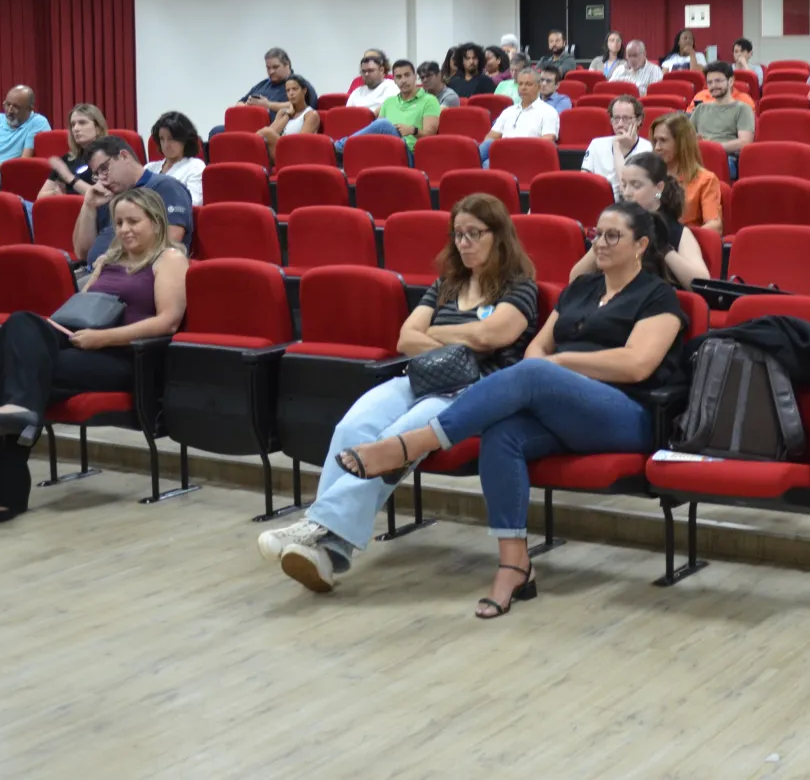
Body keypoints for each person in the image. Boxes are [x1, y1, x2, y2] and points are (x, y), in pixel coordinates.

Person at [334, 200, 690, 618]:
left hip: (625, 412)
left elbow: (636, 364)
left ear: (641, 245)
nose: (601, 244)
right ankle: (515, 564)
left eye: (614, 236)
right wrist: (550, 368)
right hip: (560, 408)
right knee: (502, 434)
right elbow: (537, 347)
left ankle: (410, 445)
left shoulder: (658, 296)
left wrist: (559, 365)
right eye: (597, 235)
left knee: (534, 373)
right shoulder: (581, 289)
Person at [257, 194, 541, 589]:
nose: (464, 243)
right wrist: (462, 338)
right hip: (421, 378)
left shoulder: (520, 287)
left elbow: (492, 335)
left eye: (474, 233)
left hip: (474, 391)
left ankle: (316, 527)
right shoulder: (447, 284)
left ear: (499, 235)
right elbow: (406, 337)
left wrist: (437, 332)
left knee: (395, 438)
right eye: (458, 234)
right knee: (353, 426)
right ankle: (328, 549)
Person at [0, 187, 188, 524]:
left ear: (155, 222)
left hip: (126, 357)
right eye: (119, 222)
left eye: (133, 221)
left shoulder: (169, 259)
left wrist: (103, 338)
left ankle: (6, 484)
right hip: (81, 341)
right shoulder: (109, 260)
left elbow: (168, 321)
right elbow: (80, 307)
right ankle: (19, 413)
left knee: (21, 375)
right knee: (20, 323)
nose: (125, 229)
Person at [568, 153, 709, 287]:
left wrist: (665, 250)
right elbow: (574, 280)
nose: (627, 193)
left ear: (659, 188)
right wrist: (601, 240)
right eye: (624, 185)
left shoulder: (675, 231)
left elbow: (702, 283)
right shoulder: (612, 223)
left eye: (636, 185)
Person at [71, 136, 191, 266]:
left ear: (124, 156)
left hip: (136, 272)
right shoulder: (107, 195)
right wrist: (89, 205)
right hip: (96, 271)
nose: (102, 178)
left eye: (104, 168)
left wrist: (112, 261)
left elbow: (167, 242)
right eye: (97, 174)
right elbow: (83, 253)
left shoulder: (165, 187)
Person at [336, 58, 443, 155]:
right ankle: (346, 150)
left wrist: (413, 130)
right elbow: (377, 133)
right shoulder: (388, 102)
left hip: (410, 152)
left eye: (407, 75)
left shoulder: (429, 100)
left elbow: (430, 136)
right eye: (399, 77)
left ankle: (340, 146)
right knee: (379, 128)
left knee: (383, 124)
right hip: (386, 150)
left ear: (415, 77)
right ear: (394, 80)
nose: (403, 80)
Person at [650, 112, 720, 232]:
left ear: (681, 143)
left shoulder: (705, 179)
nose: (657, 147)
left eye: (663, 140)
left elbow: (715, 226)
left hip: (688, 239)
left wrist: (682, 237)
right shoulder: (651, 176)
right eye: (655, 141)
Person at [480, 68, 561, 165]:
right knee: (487, 146)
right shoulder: (508, 111)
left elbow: (547, 140)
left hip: (528, 156)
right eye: (520, 84)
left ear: (539, 87)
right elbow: (491, 136)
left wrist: (518, 149)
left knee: (487, 164)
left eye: (528, 84)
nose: (523, 87)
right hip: (504, 153)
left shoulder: (548, 111)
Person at [688, 63, 754, 176]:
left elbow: (745, 142)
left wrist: (711, 148)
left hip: (726, 157)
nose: (714, 86)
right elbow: (685, 137)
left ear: (730, 81)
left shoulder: (743, 108)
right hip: (698, 157)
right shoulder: (700, 108)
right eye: (710, 82)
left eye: (718, 81)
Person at [38, 103, 108, 199]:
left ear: (98, 128)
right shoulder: (67, 159)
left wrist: (69, 177)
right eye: (73, 124)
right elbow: (40, 198)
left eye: (82, 123)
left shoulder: (110, 157)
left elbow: (103, 197)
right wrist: (55, 193)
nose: (76, 128)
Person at [582, 96, 648, 184]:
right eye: (616, 118)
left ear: (638, 120)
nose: (620, 124)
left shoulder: (648, 149)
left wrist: (616, 146)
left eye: (626, 118)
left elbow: (625, 186)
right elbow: (584, 181)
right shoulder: (596, 144)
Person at [145, 112, 205, 206]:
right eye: (162, 139)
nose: (166, 145)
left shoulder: (195, 166)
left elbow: (194, 202)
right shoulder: (149, 168)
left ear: (185, 140)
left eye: (171, 139)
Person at [258, 73, 320, 161]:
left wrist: (278, 139)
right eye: (288, 90)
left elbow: (301, 143)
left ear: (304, 90)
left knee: (266, 132)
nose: (291, 93)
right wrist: (287, 116)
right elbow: (269, 133)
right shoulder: (283, 113)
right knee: (265, 133)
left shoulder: (311, 114)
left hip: (295, 154)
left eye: (295, 89)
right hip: (279, 152)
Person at [237, 48, 296, 119]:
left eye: (275, 67)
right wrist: (247, 106)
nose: (271, 71)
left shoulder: (298, 83)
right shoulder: (262, 85)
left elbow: (297, 106)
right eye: (268, 68)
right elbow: (239, 103)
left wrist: (268, 105)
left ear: (287, 65)